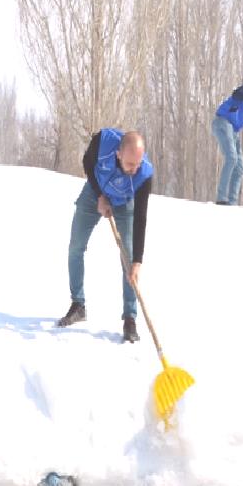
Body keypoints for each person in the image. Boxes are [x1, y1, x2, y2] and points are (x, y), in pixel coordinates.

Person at [56, 129, 154, 343]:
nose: (134, 169)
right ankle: (78, 305)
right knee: (76, 247)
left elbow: (141, 217)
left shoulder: (144, 173)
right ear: (119, 154)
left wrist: (137, 260)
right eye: (130, 165)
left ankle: (130, 319)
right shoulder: (103, 142)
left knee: (128, 261)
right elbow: (87, 163)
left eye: (137, 164)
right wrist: (100, 196)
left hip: (124, 202)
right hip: (95, 193)